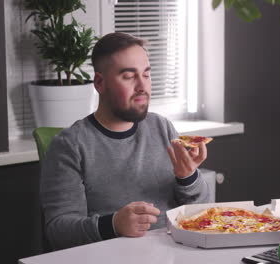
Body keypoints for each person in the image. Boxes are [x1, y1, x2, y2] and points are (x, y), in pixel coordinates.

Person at [40, 32, 211, 250]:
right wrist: (113, 225)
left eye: (146, 75)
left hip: (173, 253)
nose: (142, 86)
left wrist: (188, 178)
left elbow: (202, 212)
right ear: (100, 83)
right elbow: (58, 232)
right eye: (129, 76)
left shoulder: (162, 127)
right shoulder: (69, 145)